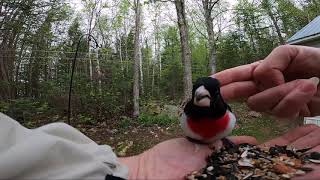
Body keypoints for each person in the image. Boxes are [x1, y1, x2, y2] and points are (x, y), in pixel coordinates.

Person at [0, 45, 319, 180]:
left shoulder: (228, 120)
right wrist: (130, 171)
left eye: (209, 94)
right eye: (198, 96)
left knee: (228, 145)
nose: (203, 98)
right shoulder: (189, 118)